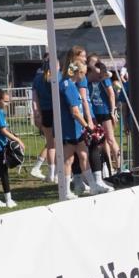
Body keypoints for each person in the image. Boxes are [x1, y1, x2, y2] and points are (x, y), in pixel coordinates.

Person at [58, 60, 100, 198]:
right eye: (84, 73)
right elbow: (75, 112)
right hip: (70, 129)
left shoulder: (71, 85)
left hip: (76, 129)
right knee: (68, 160)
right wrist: (87, 126)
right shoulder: (68, 86)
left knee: (83, 155)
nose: (85, 76)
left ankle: (93, 186)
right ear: (79, 72)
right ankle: (65, 191)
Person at [0, 89, 25, 208]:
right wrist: (17, 139)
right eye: (5, 101)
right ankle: (8, 199)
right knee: (4, 173)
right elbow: (3, 130)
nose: (7, 104)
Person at [87, 55, 120, 171]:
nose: (94, 66)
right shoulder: (87, 77)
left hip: (104, 111)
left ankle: (119, 166)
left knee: (110, 139)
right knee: (100, 141)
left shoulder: (104, 76)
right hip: (94, 113)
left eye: (96, 63)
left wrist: (112, 110)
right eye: (91, 63)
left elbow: (111, 94)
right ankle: (109, 167)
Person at [29, 56, 57, 183]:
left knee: (50, 144)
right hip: (56, 111)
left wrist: (37, 114)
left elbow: (34, 100)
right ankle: (57, 173)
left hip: (45, 113)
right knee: (58, 144)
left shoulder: (37, 79)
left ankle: (51, 173)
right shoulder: (56, 78)